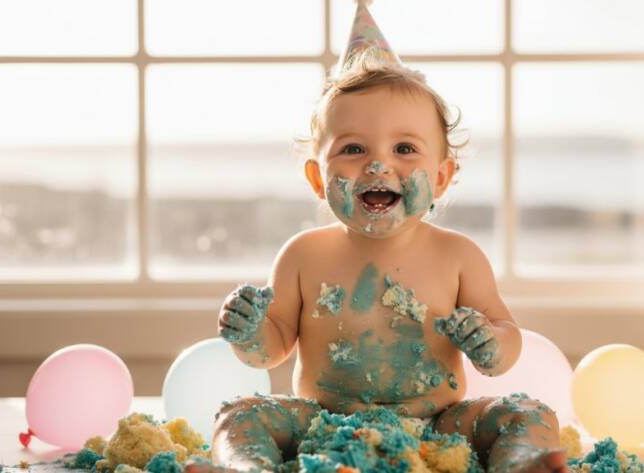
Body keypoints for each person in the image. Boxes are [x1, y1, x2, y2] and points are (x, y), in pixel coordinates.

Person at [193, 3, 567, 472]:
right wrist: (248, 335)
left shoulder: (458, 256)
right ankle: (246, 468)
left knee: (528, 413)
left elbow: (505, 349)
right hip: (321, 424)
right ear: (316, 177)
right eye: (353, 149)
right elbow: (274, 347)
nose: (377, 164)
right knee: (240, 415)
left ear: (442, 176)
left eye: (404, 148)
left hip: (440, 425)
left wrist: (488, 342)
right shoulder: (303, 255)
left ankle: (521, 465)